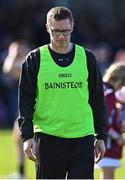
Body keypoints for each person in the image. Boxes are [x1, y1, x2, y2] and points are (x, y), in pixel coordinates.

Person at [18, 6, 106, 179]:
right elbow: (25, 101)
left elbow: (97, 99)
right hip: (48, 138)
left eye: (66, 31)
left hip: (82, 138)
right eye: (56, 31)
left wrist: (101, 135)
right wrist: (27, 137)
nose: (61, 36)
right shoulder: (34, 59)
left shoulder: (87, 58)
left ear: (72, 27)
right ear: (47, 28)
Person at [2, 40, 31, 178]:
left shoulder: (30, 60)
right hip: (26, 106)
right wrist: (13, 54)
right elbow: (7, 70)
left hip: (37, 106)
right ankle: (21, 173)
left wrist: (16, 54)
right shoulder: (18, 61)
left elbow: (15, 70)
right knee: (18, 136)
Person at [96, 62, 125, 179]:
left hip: (101, 141)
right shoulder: (108, 93)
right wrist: (117, 137)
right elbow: (104, 121)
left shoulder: (102, 87)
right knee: (108, 177)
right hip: (106, 144)